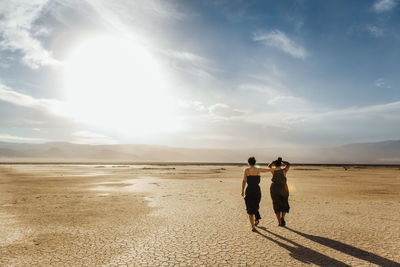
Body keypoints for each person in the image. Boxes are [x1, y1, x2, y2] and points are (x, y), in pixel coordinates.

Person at [241, 156, 270, 231]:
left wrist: (242, 190)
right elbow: (268, 170)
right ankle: (256, 220)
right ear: (255, 162)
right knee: (256, 206)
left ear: (248, 163)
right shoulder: (258, 170)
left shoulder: (246, 170)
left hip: (249, 190)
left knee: (250, 208)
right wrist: (275, 168)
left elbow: (244, 181)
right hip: (257, 190)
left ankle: (253, 226)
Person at [268, 157, 290, 226]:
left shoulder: (273, 170)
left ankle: (279, 222)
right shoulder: (284, 171)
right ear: (280, 164)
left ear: (275, 165)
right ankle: (282, 217)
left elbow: (269, 166)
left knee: (276, 204)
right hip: (283, 187)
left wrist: (273, 161)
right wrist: (281, 161)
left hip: (274, 188)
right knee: (284, 202)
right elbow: (288, 164)